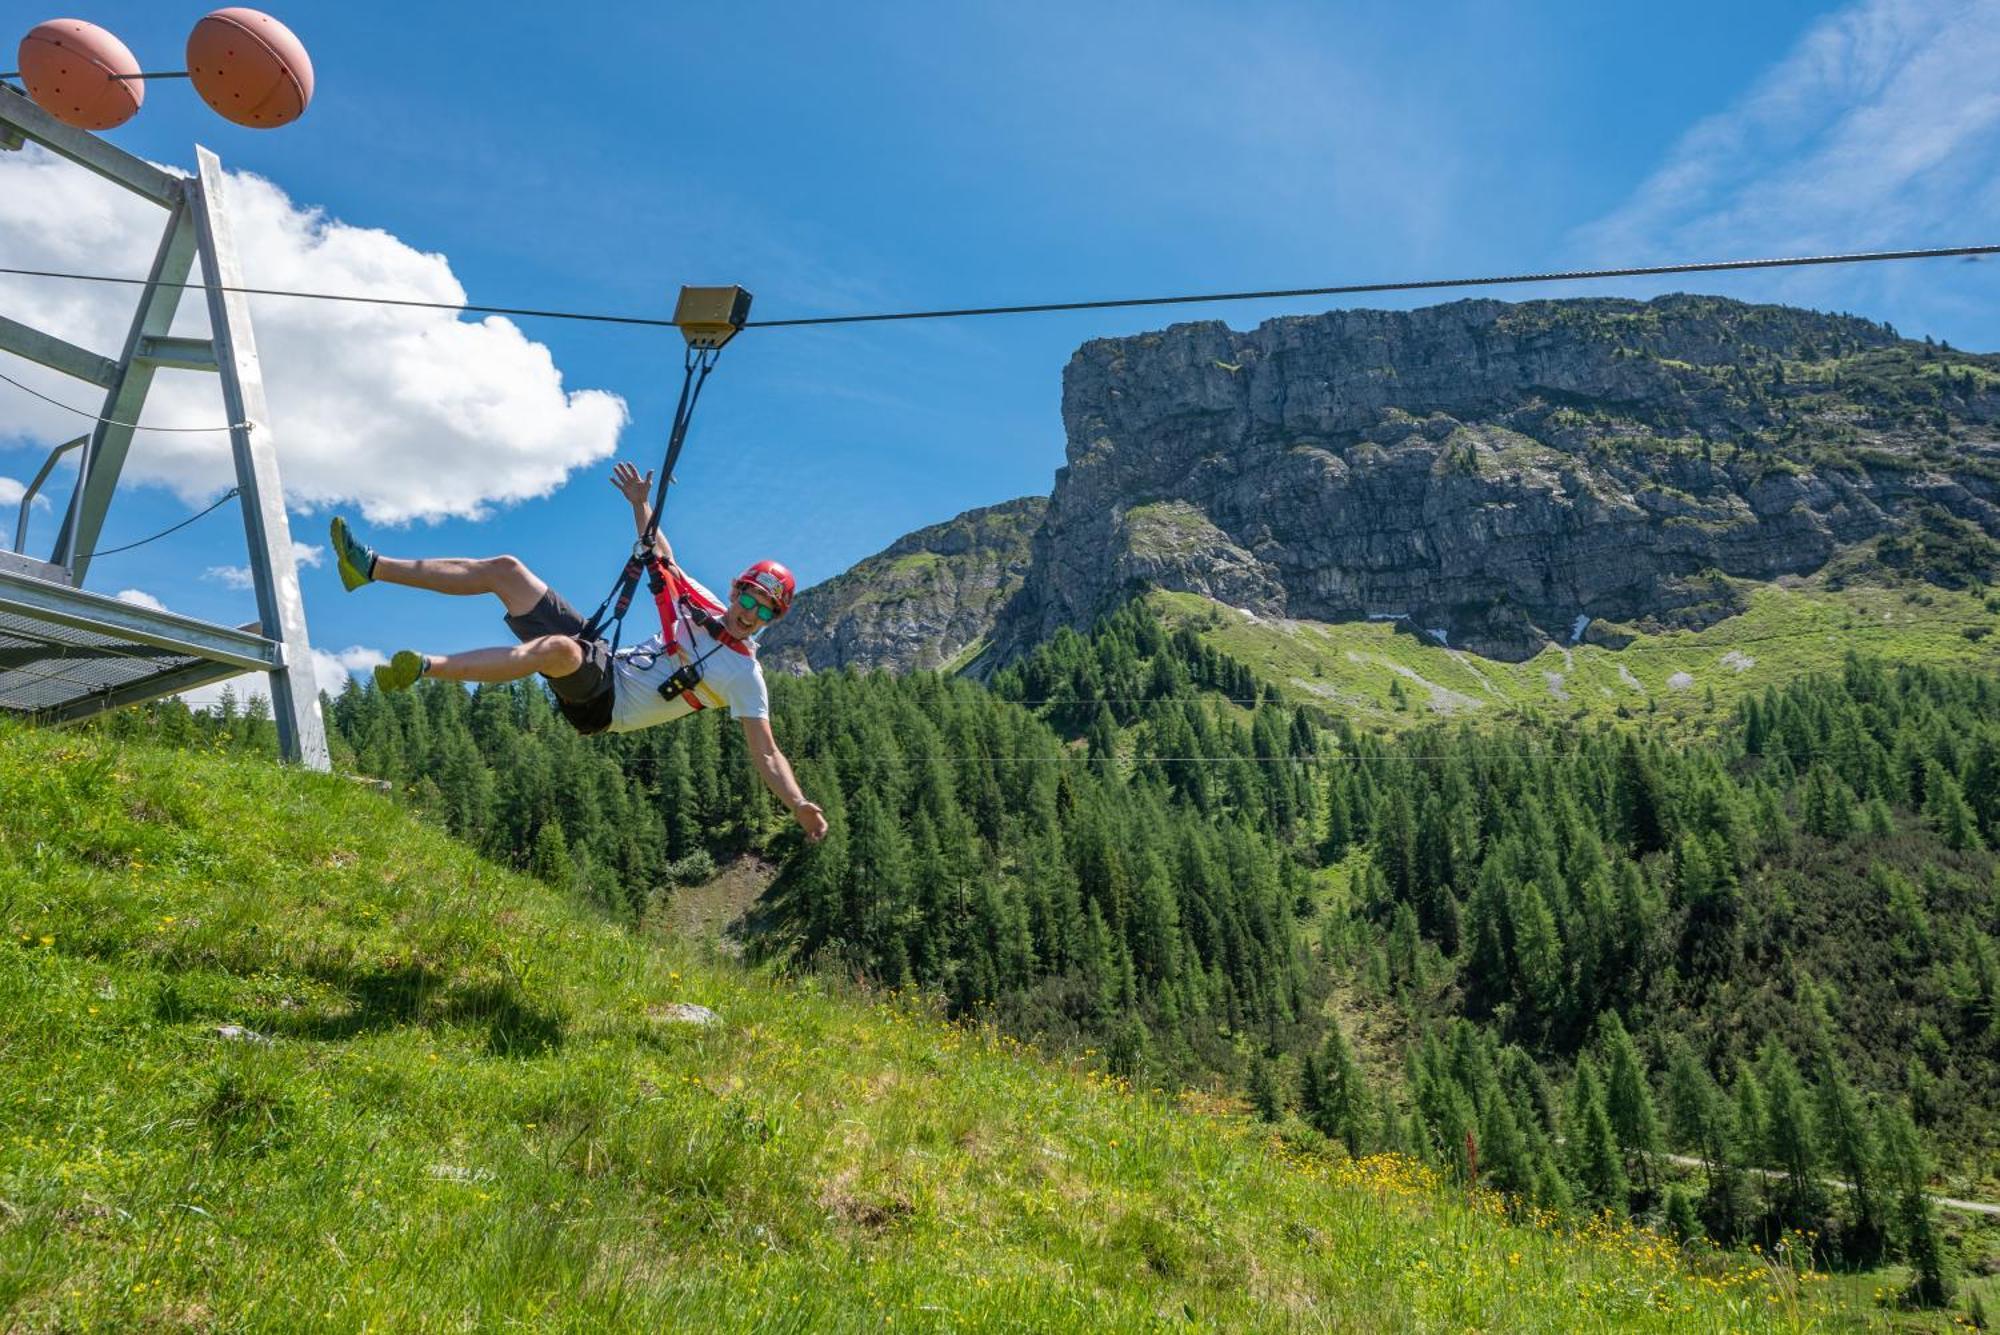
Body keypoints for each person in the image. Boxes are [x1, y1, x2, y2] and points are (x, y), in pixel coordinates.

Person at [326, 461, 827, 842]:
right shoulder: (702, 604)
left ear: (771, 620)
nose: (748, 613)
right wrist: (639, 504)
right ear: (736, 589)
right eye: (747, 598)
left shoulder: (743, 674)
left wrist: (797, 802)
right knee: (507, 570)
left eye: (763, 612)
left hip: (606, 706)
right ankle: (369, 568)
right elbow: (662, 557)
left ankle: (424, 669)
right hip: (606, 659)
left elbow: (766, 751)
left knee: (560, 650)